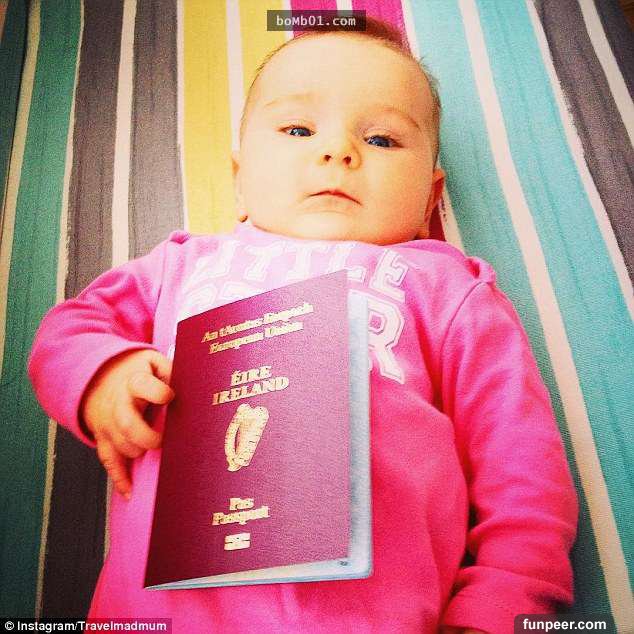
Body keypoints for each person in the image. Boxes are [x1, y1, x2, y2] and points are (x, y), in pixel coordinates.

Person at [28, 17, 578, 634]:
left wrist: (503, 603)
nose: (337, 151)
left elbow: (522, 467)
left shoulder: (449, 289)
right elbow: (71, 326)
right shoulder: (181, 266)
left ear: (429, 198)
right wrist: (103, 373)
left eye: (382, 139)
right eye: (298, 129)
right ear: (239, 178)